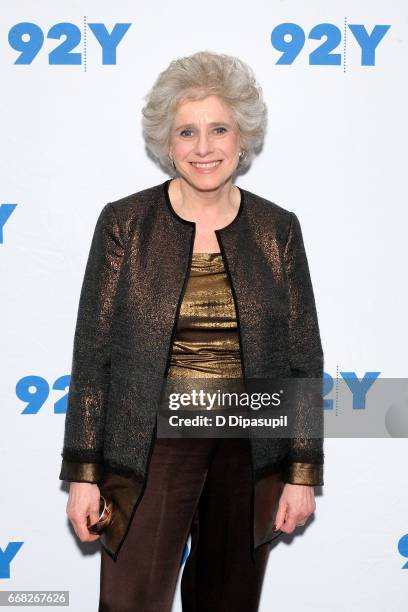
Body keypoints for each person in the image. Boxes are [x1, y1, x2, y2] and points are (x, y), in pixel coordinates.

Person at [59, 50, 325, 612]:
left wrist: (301, 473)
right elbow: (93, 357)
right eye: (187, 131)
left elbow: (303, 359)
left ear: (243, 136)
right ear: (168, 142)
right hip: (149, 444)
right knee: (131, 602)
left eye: (219, 128)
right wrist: (84, 474)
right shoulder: (124, 225)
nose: (204, 147)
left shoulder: (278, 230)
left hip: (250, 445)